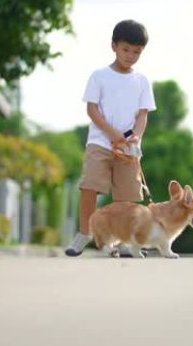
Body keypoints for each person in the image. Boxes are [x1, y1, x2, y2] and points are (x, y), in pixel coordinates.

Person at [65, 19, 156, 257]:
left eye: (136, 52)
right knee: (89, 187)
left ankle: (125, 241)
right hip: (100, 142)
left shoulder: (142, 81)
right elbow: (92, 110)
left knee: (127, 197)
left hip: (128, 148)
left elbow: (142, 115)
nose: (131, 56)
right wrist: (112, 134)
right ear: (114, 46)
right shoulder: (99, 76)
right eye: (126, 49)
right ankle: (85, 232)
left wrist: (135, 137)